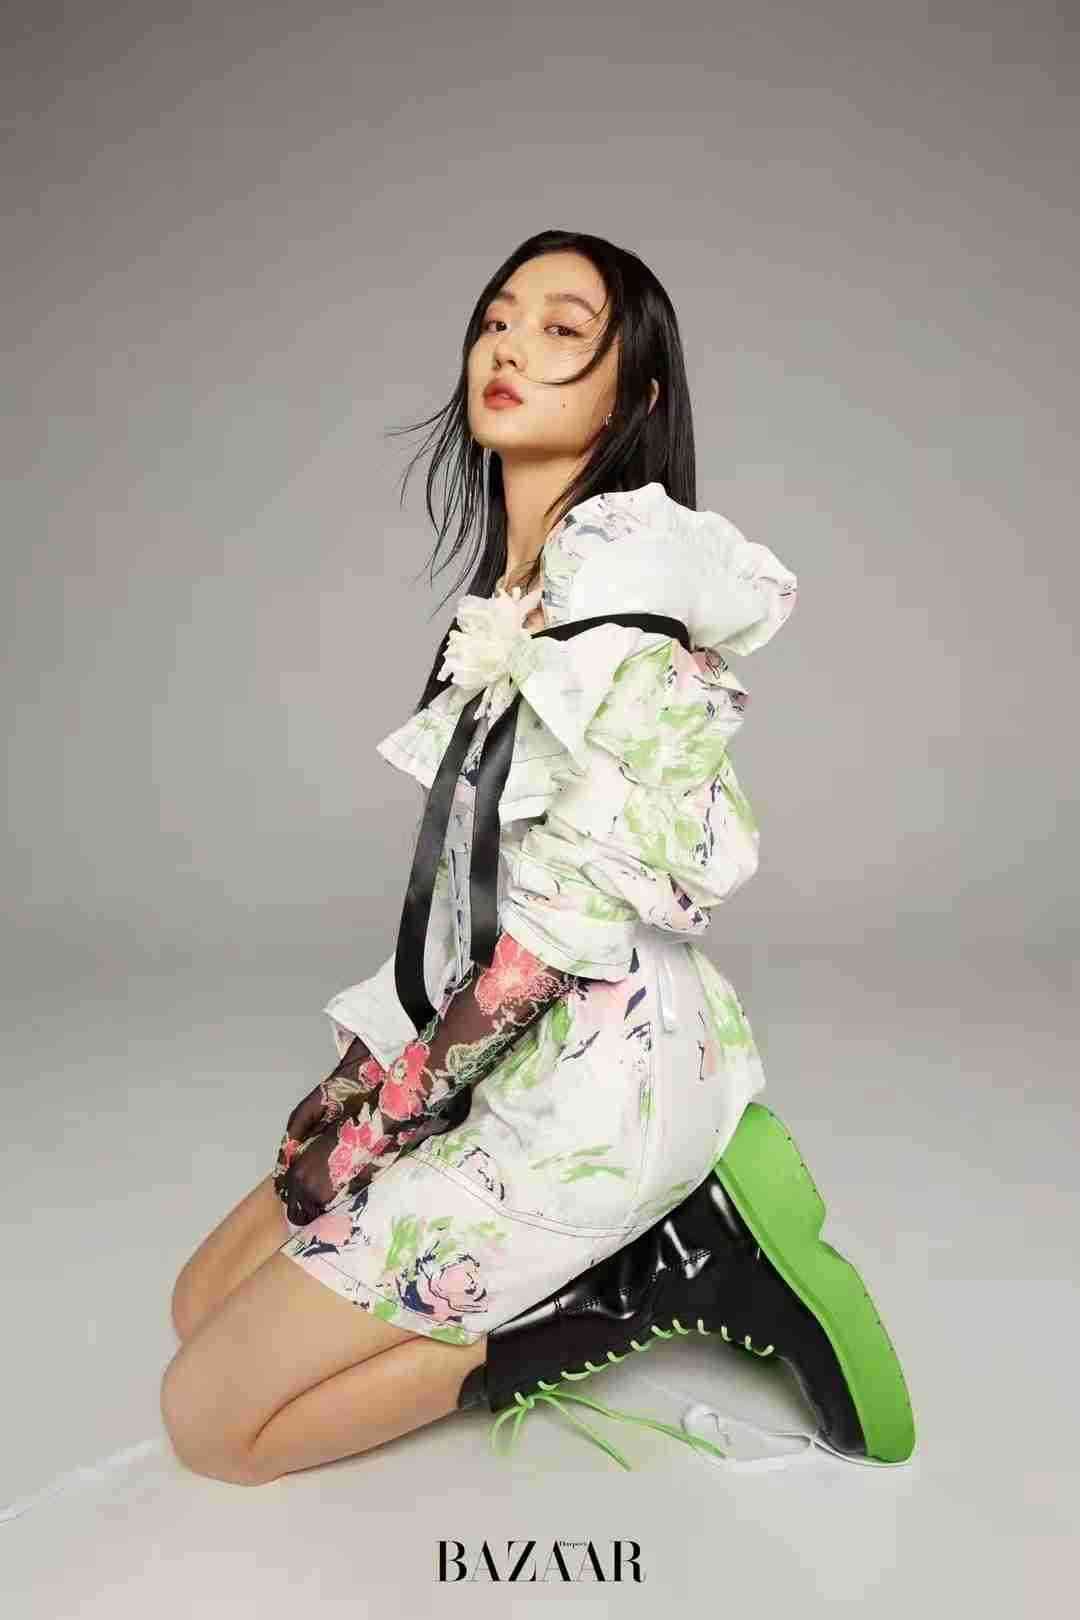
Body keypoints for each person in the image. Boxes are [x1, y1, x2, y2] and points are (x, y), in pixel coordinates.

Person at [163, 231, 915, 1485]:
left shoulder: (622, 599)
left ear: (635, 397)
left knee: (212, 1428)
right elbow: (464, 908)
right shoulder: (520, 601)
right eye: (498, 319)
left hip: (593, 1096)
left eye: (563, 330)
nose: (509, 346)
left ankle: (645, 1280)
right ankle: (583, 1236)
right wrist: (350, 1080)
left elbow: (551, 945)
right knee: (199, 1303)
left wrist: (373, 1130)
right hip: (494, 1057)